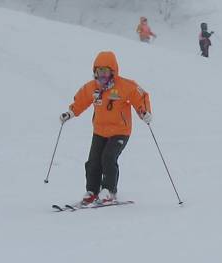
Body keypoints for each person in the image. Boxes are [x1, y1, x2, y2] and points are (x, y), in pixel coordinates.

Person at [59, 51, 152, 205]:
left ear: (113, 72)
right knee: (93, 161)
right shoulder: (92, 88)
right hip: (100, 131)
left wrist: (144, 112)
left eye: (105, 71)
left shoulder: (125, 86)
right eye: (99, 71)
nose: (102, 75)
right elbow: (81, 100)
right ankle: (92, 191)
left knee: (108, 158)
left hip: (120, 131)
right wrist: (70, 113)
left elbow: (140, 96)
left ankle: (109, 190)